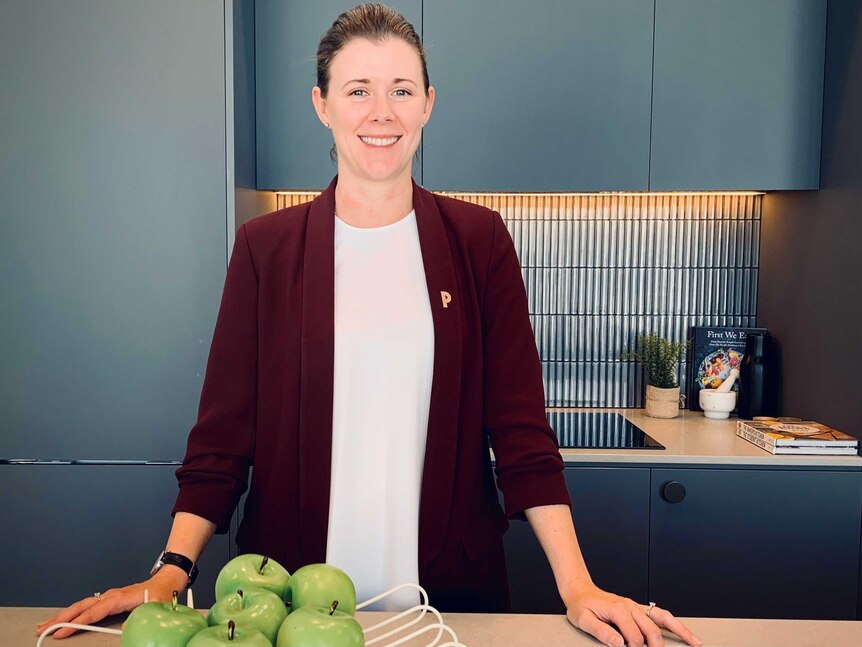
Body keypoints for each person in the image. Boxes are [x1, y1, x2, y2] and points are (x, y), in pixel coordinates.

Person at [39, 4, 702, 646]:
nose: (381, 112)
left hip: (447, 608)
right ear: (322, 105)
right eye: (358, 90)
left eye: (401, 90)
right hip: (286, 610)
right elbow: (221, 438)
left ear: (428, 105)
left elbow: (522, 434)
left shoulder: (479, 242)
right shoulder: (265, 249)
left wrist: (579, 586)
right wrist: (171, 570)